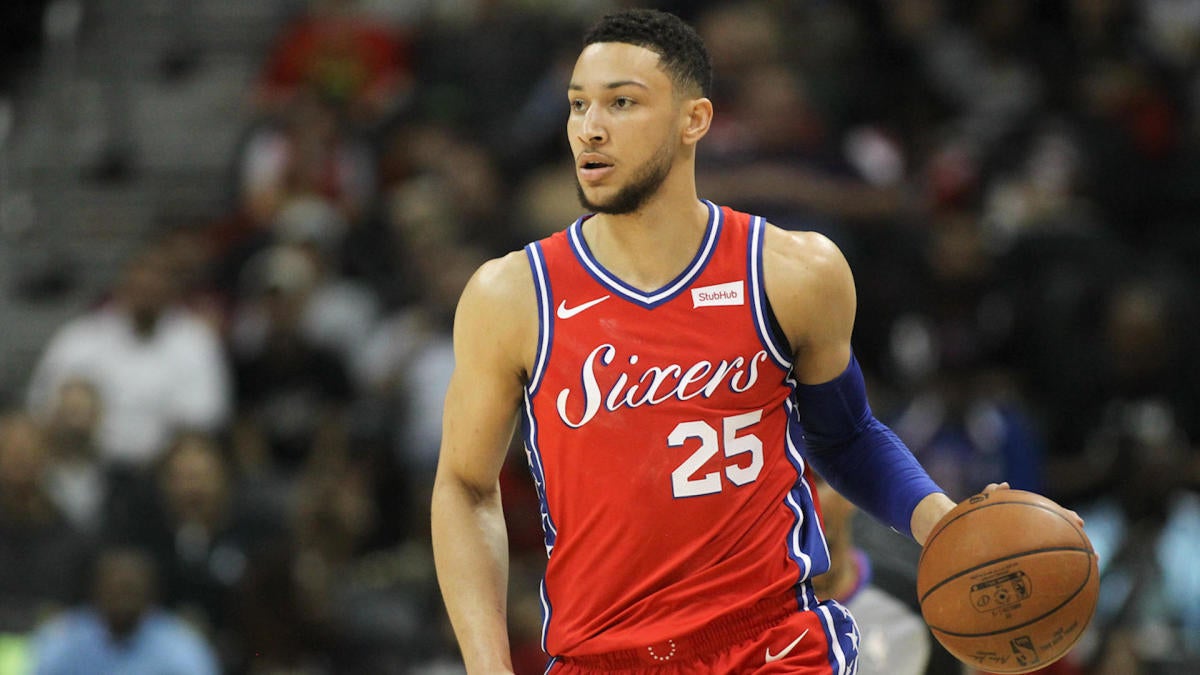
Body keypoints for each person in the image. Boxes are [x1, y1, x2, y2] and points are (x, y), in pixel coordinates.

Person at [431, 9, 1074, 674]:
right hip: (601, 658)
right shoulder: (512, 296)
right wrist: (489, 666)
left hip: (771, 646)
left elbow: (847, 435)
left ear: (694, 120)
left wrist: (944, 522)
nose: (590, 127)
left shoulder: (793, 271)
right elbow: (465, 487)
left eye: (621, 102)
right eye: (577, 105)